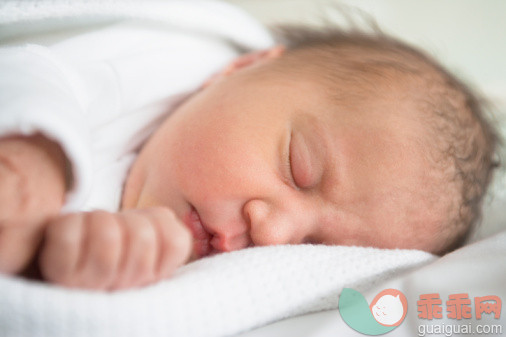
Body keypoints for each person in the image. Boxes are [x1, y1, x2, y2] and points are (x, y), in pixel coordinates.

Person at [0, 12, 499, 290]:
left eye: (314, 249)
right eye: (298, 169)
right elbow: (41, 70)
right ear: (244, 69)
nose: (274, 233)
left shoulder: (171, 276)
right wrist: (38, 159)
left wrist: (82, 266)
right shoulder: (167, 57)